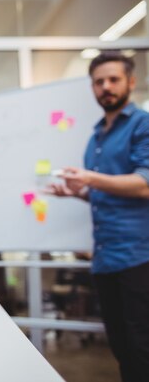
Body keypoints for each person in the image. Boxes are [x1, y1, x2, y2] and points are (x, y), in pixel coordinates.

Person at [46, 51, 149, 382]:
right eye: (99, 82)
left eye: (113, 79)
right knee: (120, 347)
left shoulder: (142, 124)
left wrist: (90, 178)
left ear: (130, 82)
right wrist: (79, 191)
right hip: (104, 258)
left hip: (138, 256)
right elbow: (113, 191)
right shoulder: (96, 137)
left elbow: (145, 184)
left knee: (141, 347)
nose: (106, 87)